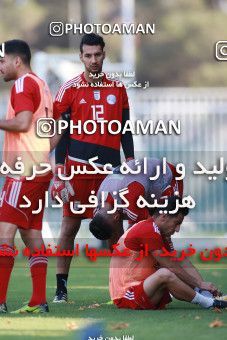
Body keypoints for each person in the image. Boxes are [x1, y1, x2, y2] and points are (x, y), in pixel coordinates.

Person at [51, 33, 134, 302]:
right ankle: (61, 290)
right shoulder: (68, 89)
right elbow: (61, 134)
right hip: (77, 171)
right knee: (68, 228)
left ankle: (120, 288)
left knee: (115, 229)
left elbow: (125, 128)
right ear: (81, 57)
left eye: (97, 54)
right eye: (88, 55)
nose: (93, 60)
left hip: (110, 173)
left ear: (104, 54)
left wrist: (130, 160)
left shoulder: (118, 88)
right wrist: (60, 172)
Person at [0, 39, 53, 313]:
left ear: (16, 61)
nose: (0, 67)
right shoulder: (41, 85)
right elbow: (53, 133)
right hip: (39, 169)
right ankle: (39, 300)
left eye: (2, 61)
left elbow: (21, 123)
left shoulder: (22, 85)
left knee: (3, 234)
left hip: (24, 171)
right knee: (32, 233)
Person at [109, 196, 227, 310]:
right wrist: (200, 284)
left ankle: (207, 295)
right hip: (127, 296)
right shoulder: (148, 230)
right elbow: (170, 267)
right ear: (164, 216)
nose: (177, 229)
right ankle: (208, 302)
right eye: (177, 223)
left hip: (147, 289)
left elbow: (175, 266)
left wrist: (200, 286)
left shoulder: (159, 232)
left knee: (179, 257)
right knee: (165, 272)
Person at [89, 158, 183, 241]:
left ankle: (169, 259)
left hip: (168, 175)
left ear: (116, 217)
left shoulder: (131, 199)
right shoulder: (98, 208)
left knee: (162, 226)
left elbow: (148, 229)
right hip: (143, 186)